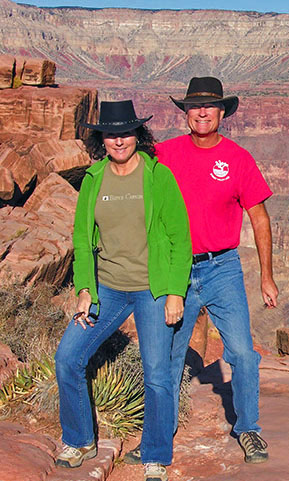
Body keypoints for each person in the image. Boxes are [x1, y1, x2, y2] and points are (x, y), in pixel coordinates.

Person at [54, 100, 191, 481]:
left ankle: (156, 454)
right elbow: (82, 240)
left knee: (157, 375)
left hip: (152, 289)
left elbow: (181, 239)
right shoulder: (94, 178)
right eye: (111, 134)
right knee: (68, 357)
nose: (119, 140)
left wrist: (175, 292)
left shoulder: (158, 177)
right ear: (102, 139)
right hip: (108, 290)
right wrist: (85, 288)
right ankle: (80, 438)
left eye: (125, 132)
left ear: (138, 135)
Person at [163, 77, 279, 463]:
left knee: (243, 354)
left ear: (222, 112)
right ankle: (162, 430)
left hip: (223, 268)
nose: (201, 112)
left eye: (209, 106)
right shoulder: (163, 154)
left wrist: (266, 275)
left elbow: (259, 218)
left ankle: (248, 429)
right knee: (170, 353)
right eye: (194, 106)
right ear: (184, 112)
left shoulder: (239, 159)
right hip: (177, 270)